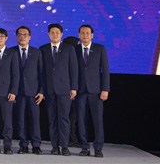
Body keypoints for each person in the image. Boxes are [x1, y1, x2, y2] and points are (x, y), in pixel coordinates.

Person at [40, 23, 78, 156]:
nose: (55, 35)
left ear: (61, 34)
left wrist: (74, 88)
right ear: (49, 34)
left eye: (57, 32)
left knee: (64, 118)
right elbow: (41, 72)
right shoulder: (43, 49)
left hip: (65, 89)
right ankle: (55, 146)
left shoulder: (69, 48)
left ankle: (65, 146)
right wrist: (42, 90)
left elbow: (74, 69)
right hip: (49, 89)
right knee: (52, 119)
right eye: (52, 32)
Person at [75, 24, 110, 158]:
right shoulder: (75, 50)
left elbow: (105, 70)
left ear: (92, 35)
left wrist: (105, 89)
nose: (85, 35)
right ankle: (84, 147)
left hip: (96, 90)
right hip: (80, 91)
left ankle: (98, 148)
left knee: (97, 120)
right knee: (81, 120)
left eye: (87, 33)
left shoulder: (100, 49)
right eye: (82, 33)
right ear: (79, 35)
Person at [11, 26, 44, 155]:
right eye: (20, 34)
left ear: (29, 37)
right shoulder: (11, 51)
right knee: (20, 120)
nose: (22, 37)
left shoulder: (37, 52)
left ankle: (36, 145)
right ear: (16, 37)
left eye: (25, 34)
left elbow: (42, 74)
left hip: (34, 92)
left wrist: (41, 91)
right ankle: (23, 145)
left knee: (35, 120)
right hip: (18, 92)